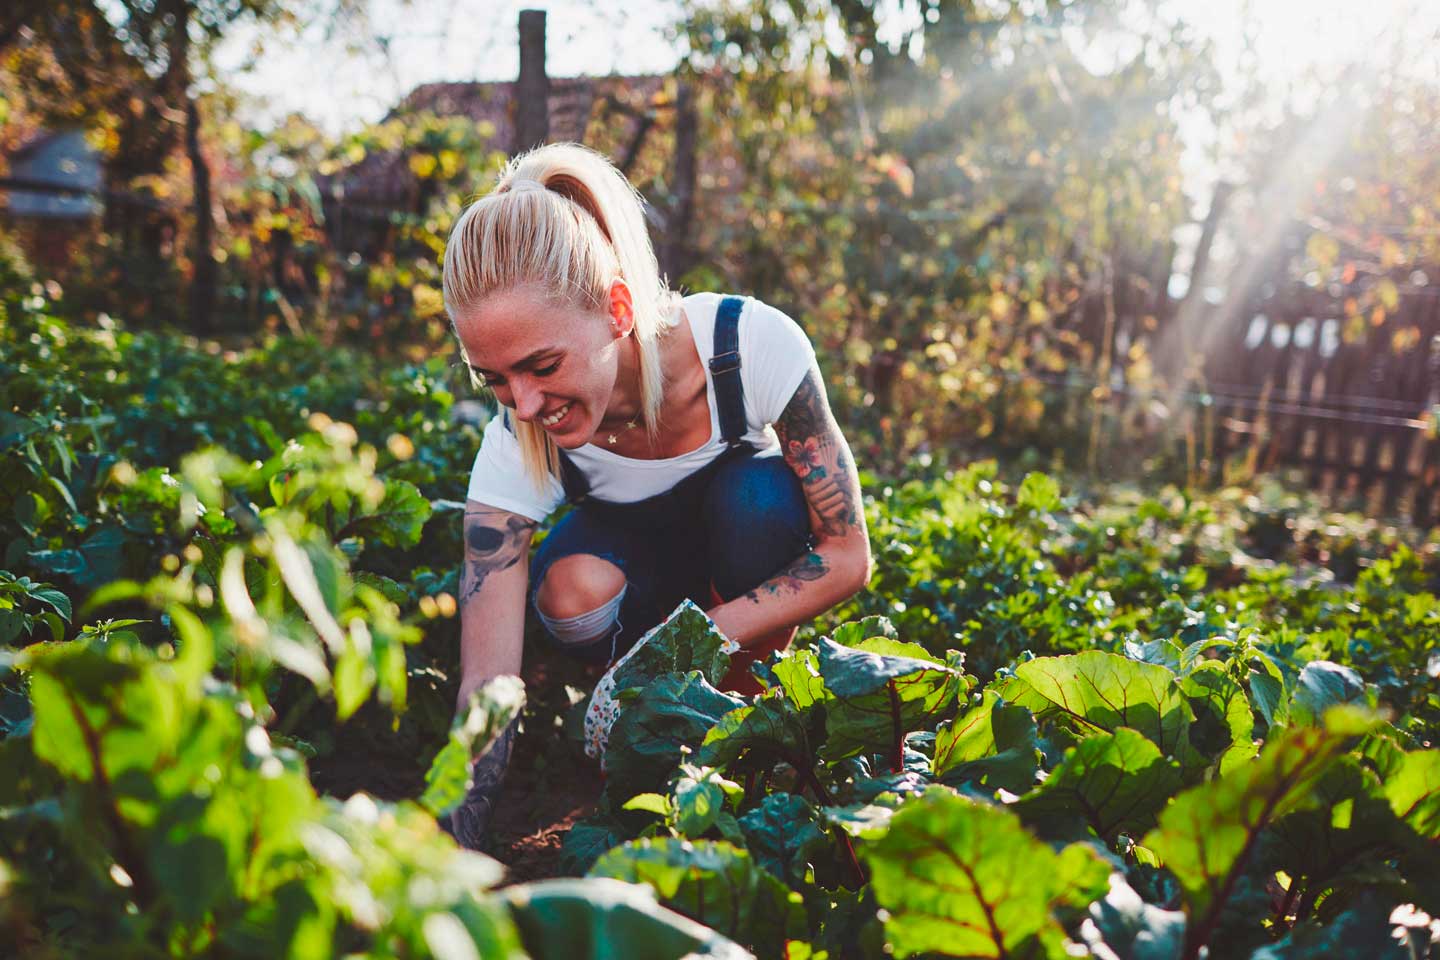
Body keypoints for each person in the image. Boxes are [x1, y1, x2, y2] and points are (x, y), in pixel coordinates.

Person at [439, 142, 871, 851]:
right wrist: (451, 842)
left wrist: (678, 649)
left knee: (760, 501)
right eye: (493, 378)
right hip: (638, 570)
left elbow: (848, 555)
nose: (521, 405)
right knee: (570, 592)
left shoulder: (748, 346)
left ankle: (738, 709)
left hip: (740, 561)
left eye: (542, 365)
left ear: (616, 310)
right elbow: (488, 679)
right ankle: (637, 730)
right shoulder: (515, 442)